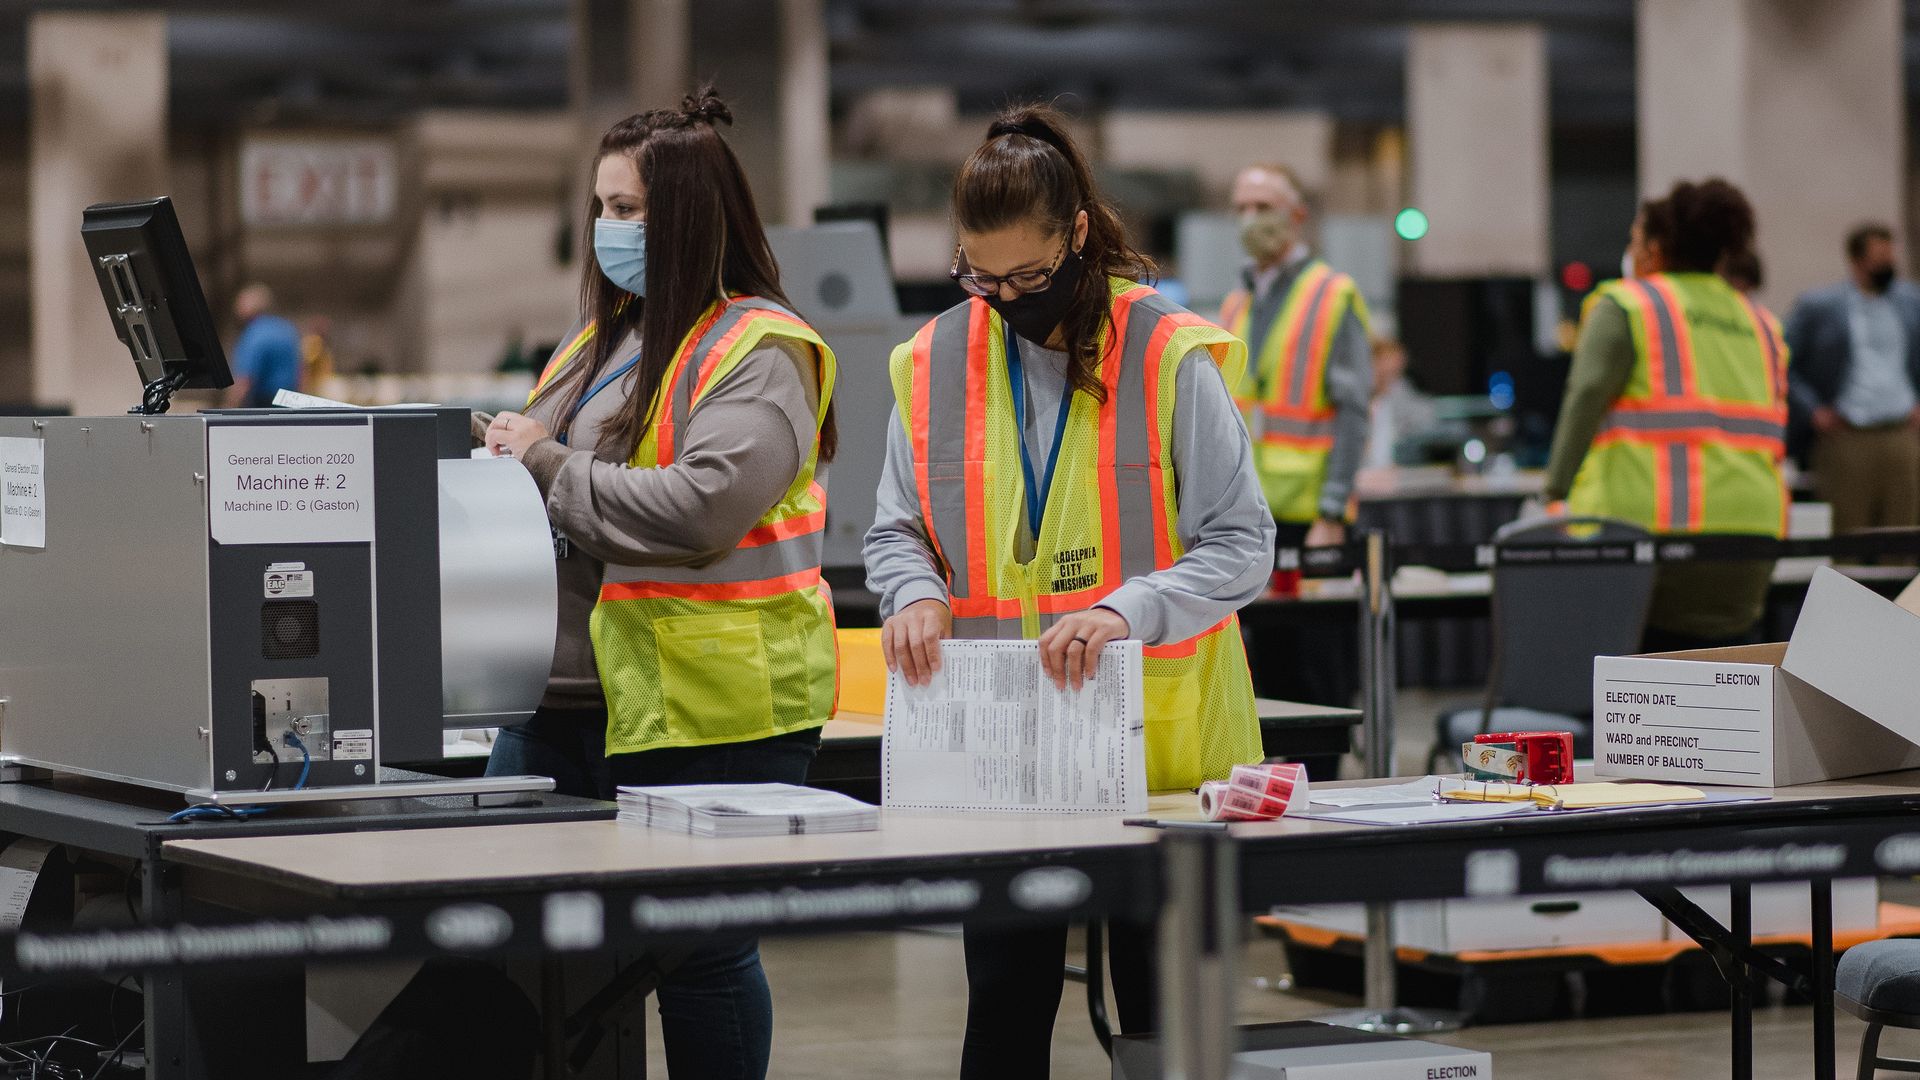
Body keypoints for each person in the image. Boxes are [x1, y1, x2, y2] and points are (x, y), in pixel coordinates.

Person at [863, 103, 1273, 1077]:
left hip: (1162, 754)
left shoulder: (1168, 354)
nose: (1004, 297)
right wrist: (912, 592)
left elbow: (1243, 545)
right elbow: (894, 531)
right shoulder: (931, 363)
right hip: (1005, 754)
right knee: (1003, 1014)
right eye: (979, 275)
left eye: (1028, 275)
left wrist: (1128, 609)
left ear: (1078, 233)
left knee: (1163, 1029)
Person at [482, 88, 839, 1080]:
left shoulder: (757, 350)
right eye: (601, 207)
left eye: (631, 210)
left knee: (700, 953)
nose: (610, 229)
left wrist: (546, 465)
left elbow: (698, 508)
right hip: (563, 695)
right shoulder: (599, 342)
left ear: (687, 216)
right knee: (525, 952)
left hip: (709, 708)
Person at [1544, 178, 1788, 652]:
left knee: (1634, 700)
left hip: (1650, 538)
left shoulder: (1627, 305)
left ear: (1653, 251)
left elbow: (1585, 396)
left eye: (1633, 241)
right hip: (1752, 540)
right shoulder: (1761, 323)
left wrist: (1554, 491)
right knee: (1727, 687)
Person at [1217, 163, 1373, 548]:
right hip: (1243, 516)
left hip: (1307, 519)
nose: (1250, 220)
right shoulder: (1236, 304)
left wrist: (1332, 511)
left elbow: (1353, 411)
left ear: (1297, 215)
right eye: (1241, 209)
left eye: (1263, 207)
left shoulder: (1333, 295)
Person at [1784, 223, 1920, 534]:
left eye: (1890, 256)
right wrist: (1813, 411)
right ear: (1857, 261)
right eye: (1879, 257)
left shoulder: (1910, 303)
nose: (1888, 264)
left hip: (1900, 431)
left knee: (1903, 533)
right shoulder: (1819, 306)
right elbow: (1784, 362)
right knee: (1849, 531)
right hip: (1847, 433)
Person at [224, 283, 303, 407]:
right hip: (290, 402)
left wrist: (228, 408)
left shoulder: (254, 333)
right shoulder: (286, 328)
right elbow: (300, 371)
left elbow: (245, 379)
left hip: (264, 405)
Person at [1363, 335, 1436, 470]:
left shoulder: (1386, 403)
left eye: (1396, 374)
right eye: (1385, 374)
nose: (1391, 382)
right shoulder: (1357, 405)